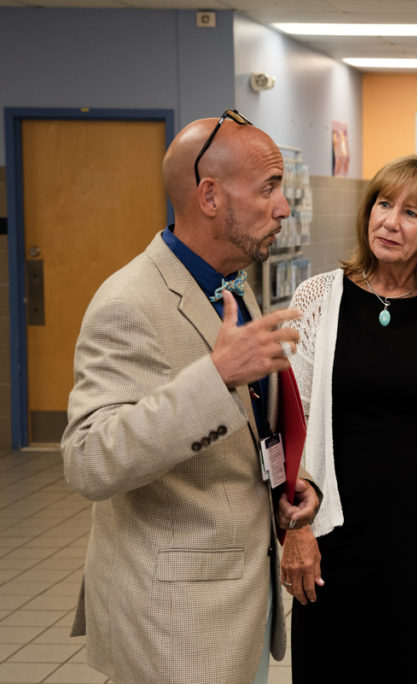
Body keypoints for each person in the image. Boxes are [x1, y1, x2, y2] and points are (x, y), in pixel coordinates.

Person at [62, 111, 321, 684]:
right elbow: (88, 460)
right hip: (174, 618)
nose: (283, 207)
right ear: (209, 195)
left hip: (239, 601)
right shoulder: (128, 303)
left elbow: (252, 430)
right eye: (268, 189)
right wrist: (214, 376)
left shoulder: (232, 286)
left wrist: (288, 488)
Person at [283, 155, 417, 683]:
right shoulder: (317, 300)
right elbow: (297, 423)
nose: (389, 222)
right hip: (338, 532)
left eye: (411, 214)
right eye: (384, 204)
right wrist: (295, 527)